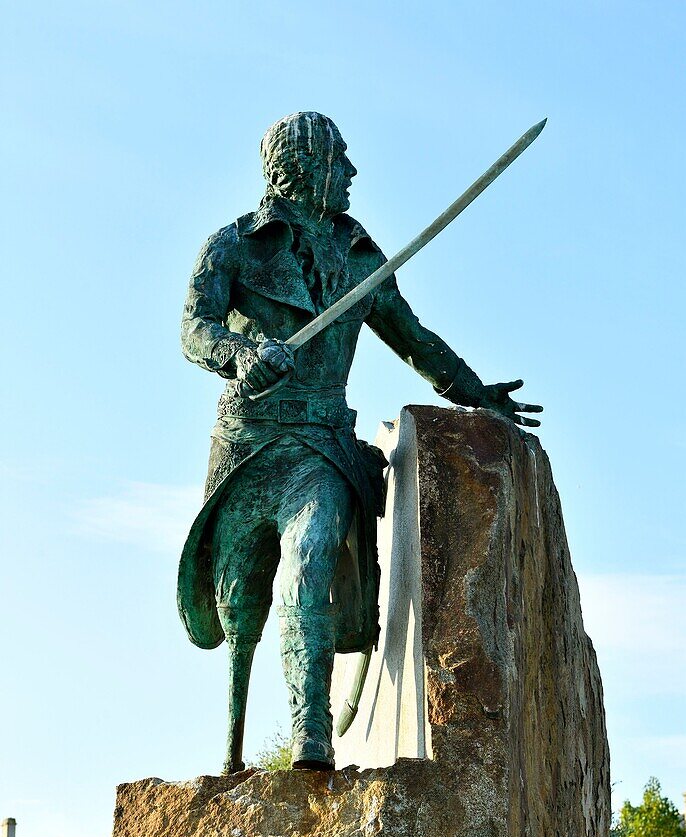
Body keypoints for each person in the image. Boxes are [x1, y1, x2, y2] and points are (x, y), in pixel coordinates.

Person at [178, 111, 542, 773]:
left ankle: (310, 739)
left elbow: (413, 339)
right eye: (338, 160)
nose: (350, 174)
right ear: (302, 166)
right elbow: (194, 330)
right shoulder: (231, 246)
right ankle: (230, 752)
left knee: (311, 557)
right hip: (250, 441)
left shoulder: (358, 254)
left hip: (319, 442)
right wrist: (239, 351)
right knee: (240, 603)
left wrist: (478, 393)